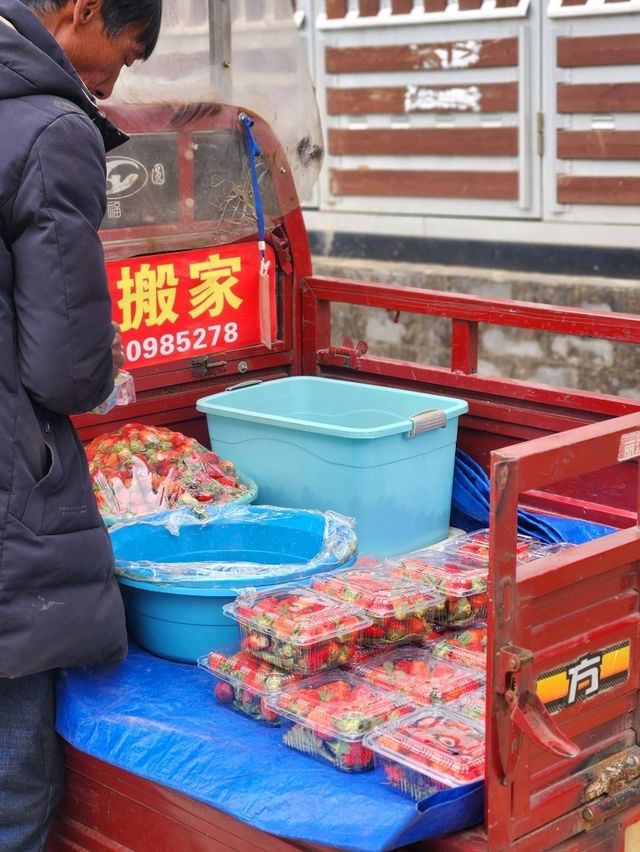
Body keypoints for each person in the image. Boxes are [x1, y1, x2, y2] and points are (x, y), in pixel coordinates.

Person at [0, 0, 162, 848]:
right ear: (81, 10)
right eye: (124, 53)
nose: (115, 78)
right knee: (12, 798)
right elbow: (64, 367)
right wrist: (104, 362)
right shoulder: (50, 127)